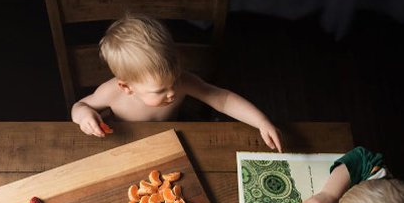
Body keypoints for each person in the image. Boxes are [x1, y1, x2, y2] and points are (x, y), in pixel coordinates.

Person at [71, 14, 282, 151]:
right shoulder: (110, 93)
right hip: (123, 144)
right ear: (126, 87)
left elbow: (222, 99)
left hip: (172, 140)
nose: (172, 92)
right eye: (160, 90)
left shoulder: (182, 82)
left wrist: (261, 121)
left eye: (173, 80)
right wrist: (84, 117)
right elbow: (79, 106)